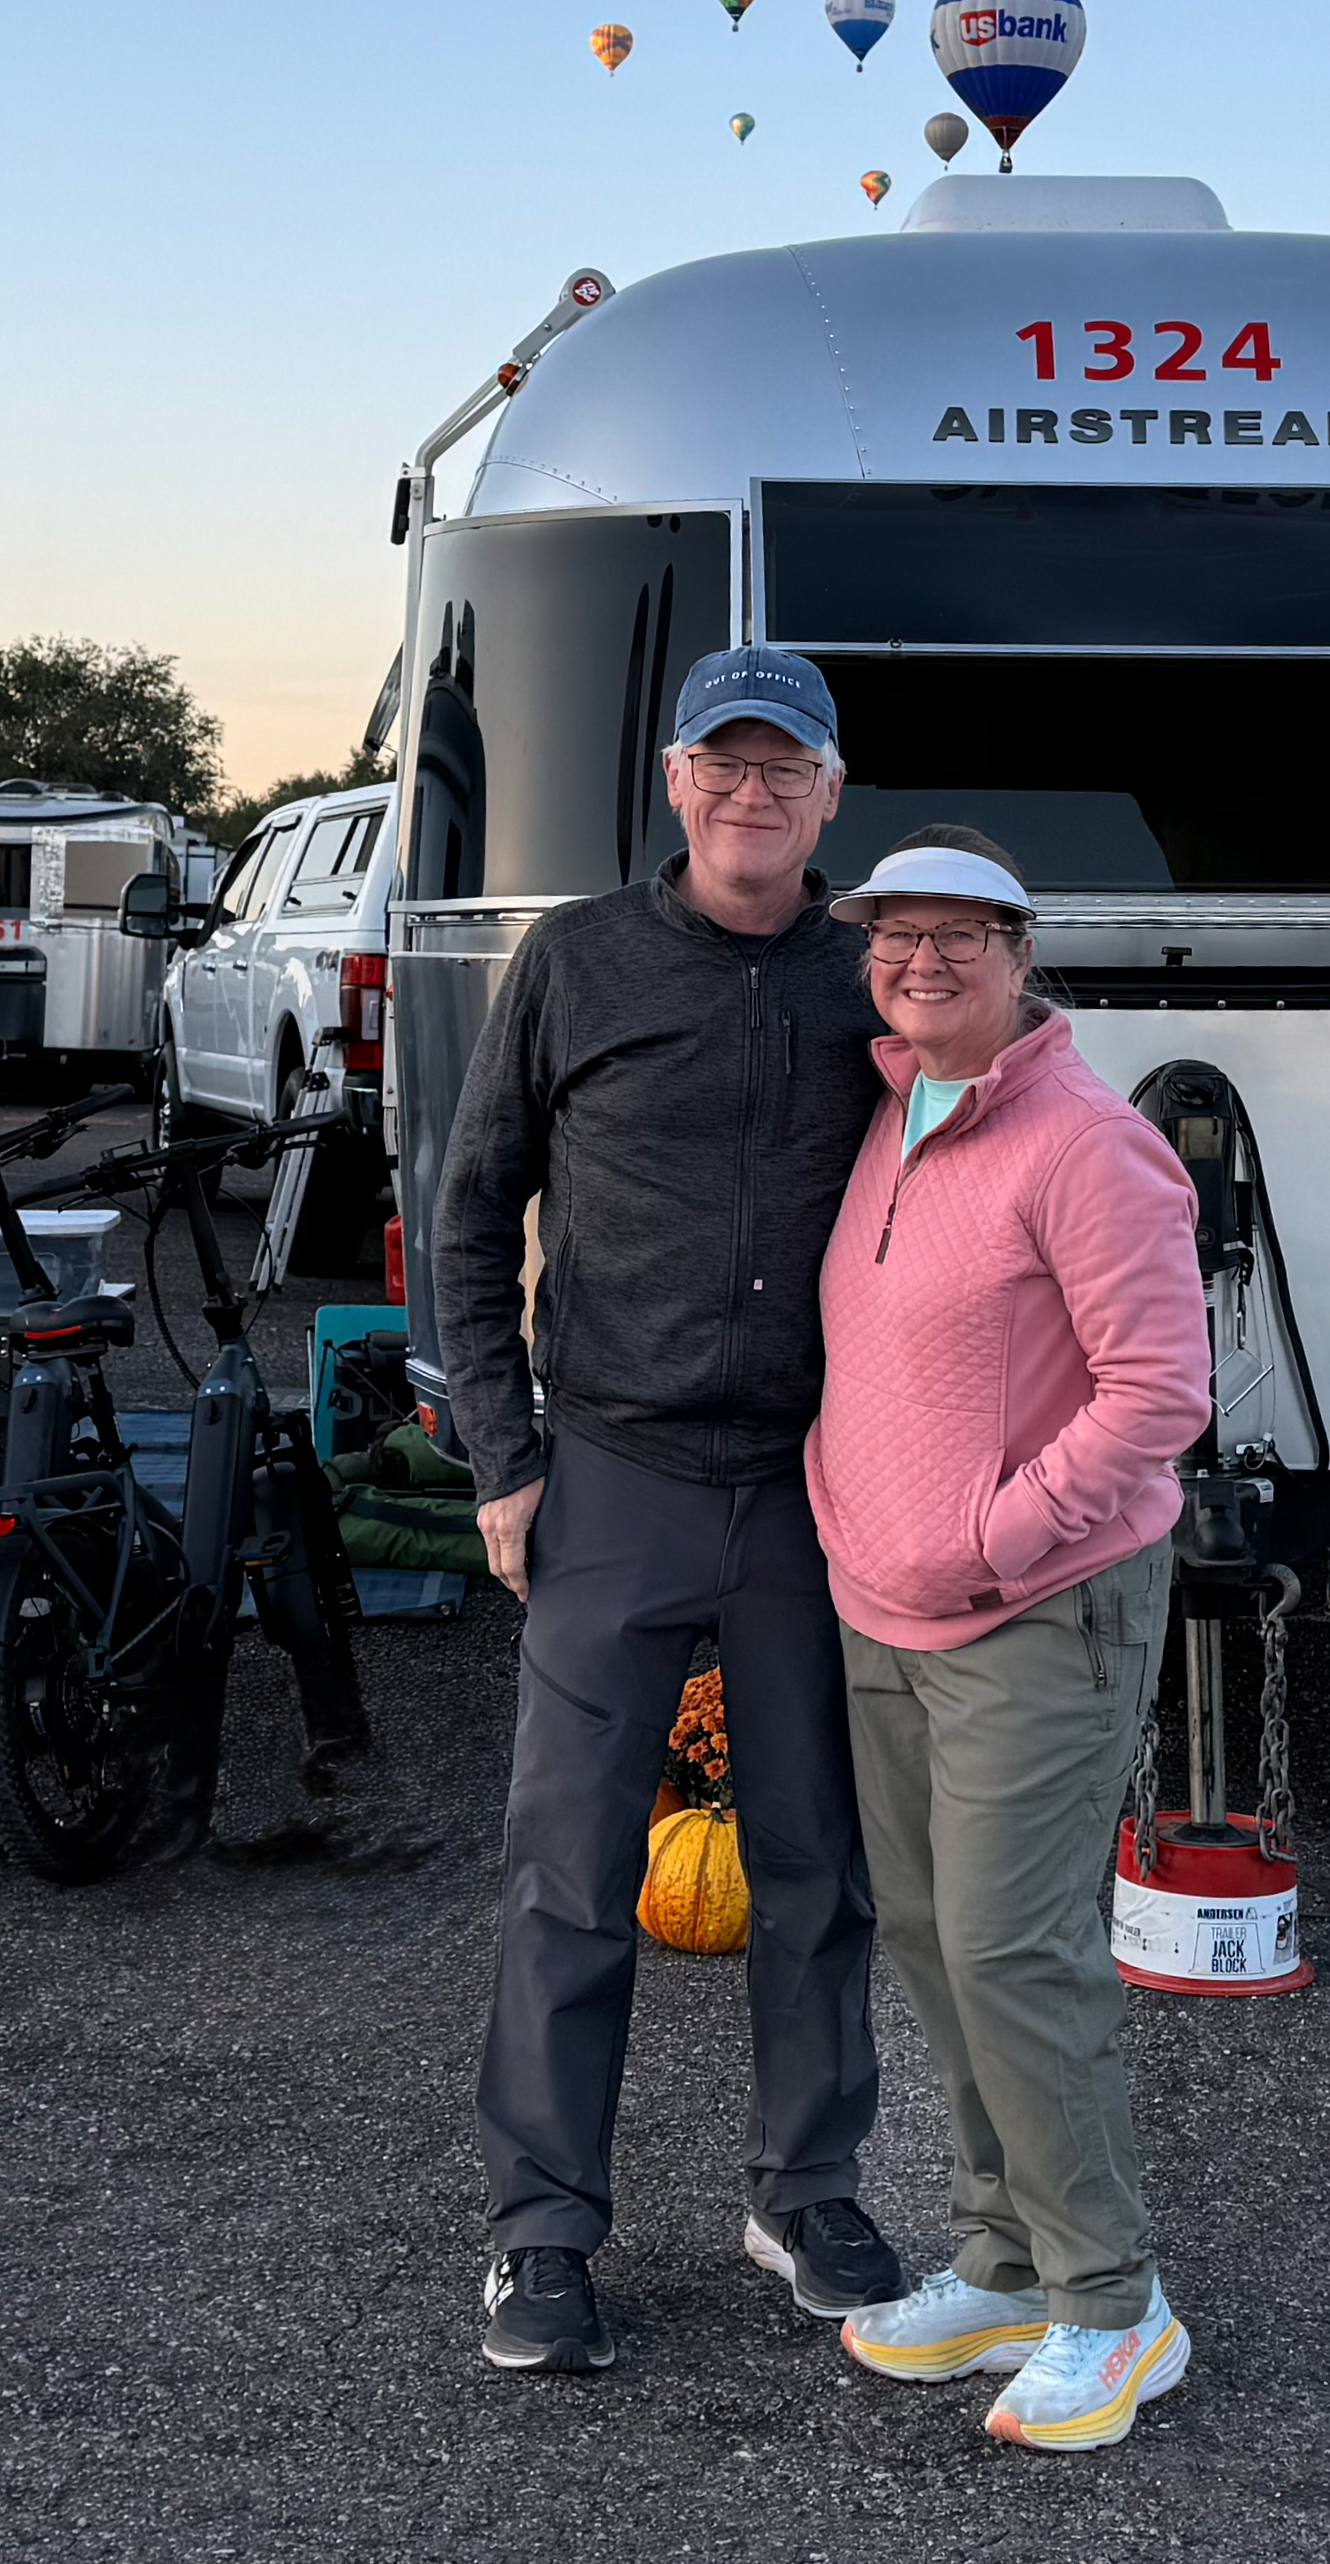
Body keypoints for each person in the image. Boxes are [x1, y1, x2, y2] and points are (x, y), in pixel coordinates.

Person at [431, 645, 903, 2374]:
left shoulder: (877, 972)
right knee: (570, 1868)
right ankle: (542, 2227)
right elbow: (472, 1211)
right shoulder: (577, 958)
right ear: (676, 781)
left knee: (816, 1862)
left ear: (829, 794)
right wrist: (503, 1454)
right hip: (612, 1470)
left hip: (810, 1484)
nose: (751, 792)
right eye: (724, 762)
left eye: (786, 766)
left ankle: (807, 2186)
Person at [804, 827, 1215, 2453]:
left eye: (958, 935)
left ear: (1020, 952)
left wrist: (996, 1534)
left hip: (1038, 1612)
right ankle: (1002, 2260)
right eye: (893, 934)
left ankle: (1112, 2302)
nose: (920, 961)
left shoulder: (1087, 1142)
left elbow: (1157, 1394)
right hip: (879, 1606)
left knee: (1013, 1950)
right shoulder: (892, 1107)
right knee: (929, 1935)